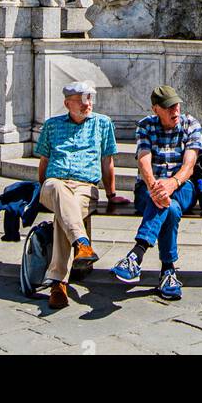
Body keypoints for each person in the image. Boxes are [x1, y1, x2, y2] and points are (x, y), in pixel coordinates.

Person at [34, 82, 129, 310]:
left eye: (89, 99)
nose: (87, 104)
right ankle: (81, 245)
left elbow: (107, 161)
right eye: (81, 100)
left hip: (85, 187)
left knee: (66, 213)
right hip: (54, 184)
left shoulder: (102, 124)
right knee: (59, 192)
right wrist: (43, 187)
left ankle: (59, 283)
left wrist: (111, 194)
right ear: (67, 104)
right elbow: (44, 162)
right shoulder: (52, 125)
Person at [112, 84, 202, 302]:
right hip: (149, 186)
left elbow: (189, 165)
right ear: (156, 109)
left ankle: (137, 254)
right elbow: (143, 159)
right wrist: (155, 186)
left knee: (168, 201)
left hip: (182, 186)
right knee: (170, 208)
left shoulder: (190, 124)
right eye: (169, 107)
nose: (175, 110)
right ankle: (168, 272)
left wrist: (171, 184)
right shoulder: (145, 125)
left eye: (176, 105)